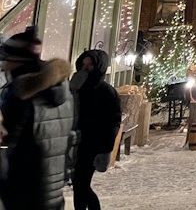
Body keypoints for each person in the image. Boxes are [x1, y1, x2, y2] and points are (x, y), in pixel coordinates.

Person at [0, 27, 75, 210]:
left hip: (23, 191)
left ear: (18, 60)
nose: (4, 66)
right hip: (53, 191)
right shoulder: (65, 91)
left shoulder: (21, 93)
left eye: (7, 60)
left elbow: (8, 144)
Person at [70, 49, 121, 210]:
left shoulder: (107, 92)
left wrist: (106, 149)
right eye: (83, 64)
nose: (85, 68)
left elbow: (113, 122)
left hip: (93, 145)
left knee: (81, 185)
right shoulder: (75, 87)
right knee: (78, 186)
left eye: (90, 65)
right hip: (75, 143)